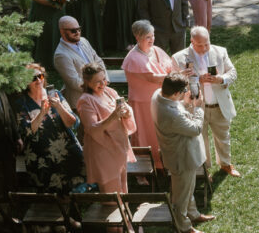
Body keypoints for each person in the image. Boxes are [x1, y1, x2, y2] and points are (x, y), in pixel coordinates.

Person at [171, 26, 240, 177]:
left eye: (206, 44)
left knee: (223, 136)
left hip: (218, 104)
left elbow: (233, 72)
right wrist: (195, 80)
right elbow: (174, 85)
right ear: (191, 41)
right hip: (196, 106)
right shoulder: (179, 58)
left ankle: (226, 164)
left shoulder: (220, 51)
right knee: (199, 140)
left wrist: (221, 79)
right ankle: (204, 169)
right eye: (199, 45)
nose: (203, 48)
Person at [152, 73, 215, 233]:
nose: (186, 92)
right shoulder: (172, 114)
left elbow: (178, 108)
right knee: (180, 196)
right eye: (183, 91)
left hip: (179, 154)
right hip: (182, 158)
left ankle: (193, 214)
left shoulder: (157, 96)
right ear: (175, 94)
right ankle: (184, 226)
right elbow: (195, 129)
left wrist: (185, 103)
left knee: (187, 189)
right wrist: (199, 107)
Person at [16, 64, 86, 194]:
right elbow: (26, 133)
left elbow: (74, 123)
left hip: (67, 150)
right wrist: (42, 113)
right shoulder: (22, 103)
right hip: (42, 157)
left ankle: (72, 210)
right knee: (53, 195)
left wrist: (59, 106)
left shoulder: (55, 94)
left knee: (74, 189)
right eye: (33, 78)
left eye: (40, 76)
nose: (38, 80)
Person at [123, 19, 175, 170]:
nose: (152, 39)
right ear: (137, 38)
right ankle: (145, 167)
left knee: (161, 130)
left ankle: (164, 161)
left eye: (152, 35)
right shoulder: (133, 58)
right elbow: (152, 77)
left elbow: (170, 66)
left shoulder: (157, 50)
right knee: (145, 133)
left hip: (160, 98)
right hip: (143, 102)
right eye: (147, 37)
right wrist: (176, 77)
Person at [77, 62, 136, 193]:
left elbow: (125, 110)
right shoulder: (86, 100)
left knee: (123, 187)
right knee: (112, 192)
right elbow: (91, 128)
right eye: (97, 82)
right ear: (87, 82)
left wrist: (127, 113)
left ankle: (124, 212)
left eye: (104, 79)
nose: (103, 84)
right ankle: (113, 211)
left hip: (119, 146)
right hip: (103, 149)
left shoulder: (110, 92)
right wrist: (113, 117)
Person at [53, 16, 99, 110]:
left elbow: (98, 60)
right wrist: (97, 87)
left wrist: (104, 81)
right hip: (81, 101)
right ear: (62, 31)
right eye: (73, 30)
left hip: (97, 92)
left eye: (79, 29)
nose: (77, 32)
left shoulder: (84, 41)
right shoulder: (61, 55)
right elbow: (74, 82)